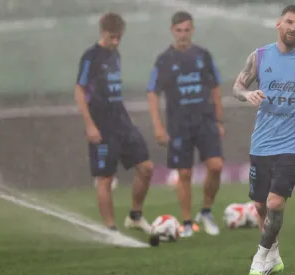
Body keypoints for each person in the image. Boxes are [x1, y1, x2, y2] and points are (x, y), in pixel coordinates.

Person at [232, 5, 295, 275]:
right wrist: (246, 95)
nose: (293, 28)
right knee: (261, 204)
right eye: (289, 22)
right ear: (278, 24)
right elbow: (237, 86)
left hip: (293, 142)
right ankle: (274, 256)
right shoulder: (260, 56)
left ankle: (259, 259)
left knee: (276, 203)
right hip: (261, 142)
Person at [147, 11, 224, 238]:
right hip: (179, 124)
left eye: (186, 30)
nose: (182, 34)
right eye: (178, 30)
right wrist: (158, 126)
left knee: (216, 166)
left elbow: (216, 88)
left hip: (206, 120)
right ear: (172, 31)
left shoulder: (203, 55)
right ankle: (188, 222)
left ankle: (206, 212)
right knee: (184, 173)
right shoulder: (164, 60)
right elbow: (153, 93)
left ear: (192, 30)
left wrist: (219, 120)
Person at [75, 12, 153, 236]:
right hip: (101, 124)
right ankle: (110, 229)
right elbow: (79, 90)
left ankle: (135, 217)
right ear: (102, 33)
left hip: (122, 121)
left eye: (119, 37)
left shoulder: (115, 54)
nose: (116, 41)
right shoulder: (91, 56)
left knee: (146, 168)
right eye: (112, 37)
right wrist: (89, 125)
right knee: (105, 178)